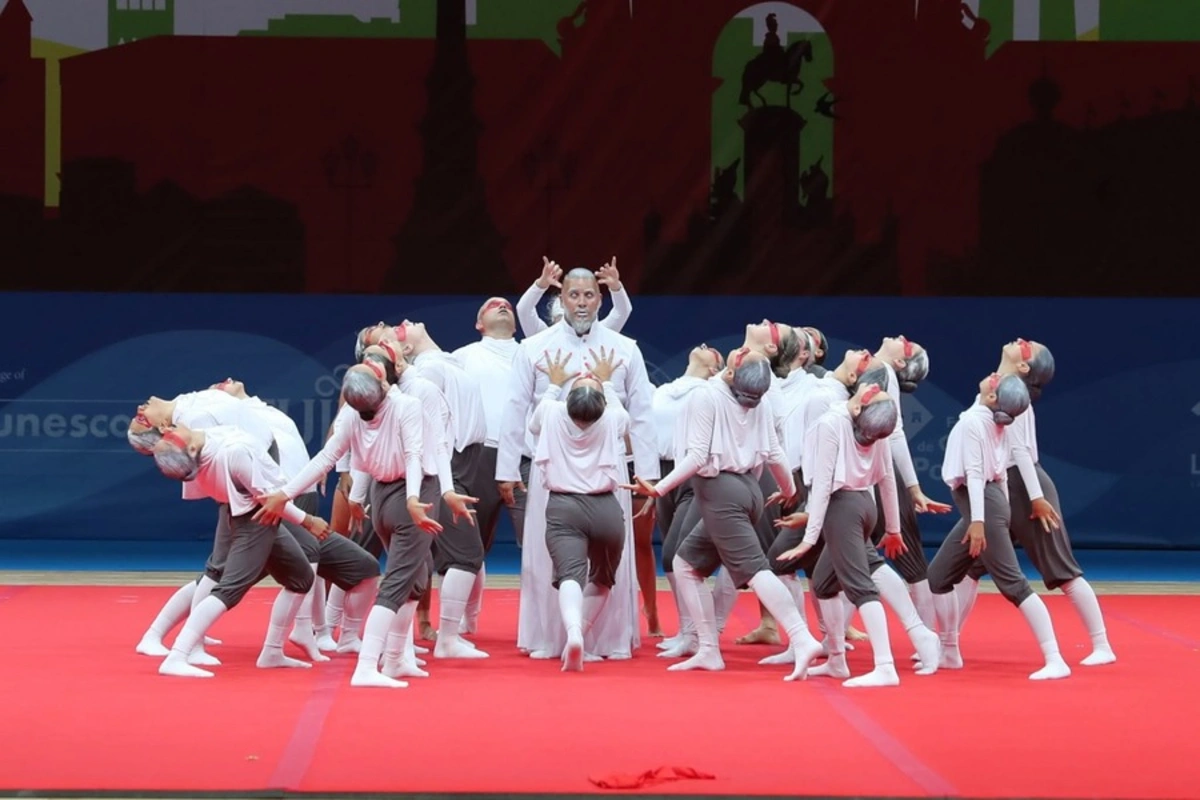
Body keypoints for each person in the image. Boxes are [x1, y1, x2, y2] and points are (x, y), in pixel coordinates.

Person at [624, 349, 825, 680]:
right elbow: (775, 454)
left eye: (742, 356)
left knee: (755, 570)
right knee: (685, 563)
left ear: (730, 374)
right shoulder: (756, 399)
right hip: (748, 488)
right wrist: (790, 490)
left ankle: (802, 638)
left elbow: (697, 457)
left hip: (722, 492)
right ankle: (708, 648)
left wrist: (658, 489)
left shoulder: (708, 396)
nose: (742, 349)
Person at [498, 267, 658, 660]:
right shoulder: (534, 347)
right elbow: (515, 409)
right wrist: (506, 470)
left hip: (610, 472)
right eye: (574, 295)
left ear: (600, 300)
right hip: (550, 472)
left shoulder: (625, 348)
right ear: (562, 299)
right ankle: (551, 638)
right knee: (547, 555)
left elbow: (642, 414)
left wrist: (648, 474)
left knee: (608, 558)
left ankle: (605, 639)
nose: (582, 303)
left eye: (589, 295)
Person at [256, 364, 443, 688]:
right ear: (381, 385)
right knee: (398, 583)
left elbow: (326, 459)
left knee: (416, 577)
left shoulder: (351, 415)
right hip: (409, 495)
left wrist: (285, 494)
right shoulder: (405, 405)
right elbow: (414, 454)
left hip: (381, 497)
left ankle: (396, 658)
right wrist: (414, 498)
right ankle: (367, 666)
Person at [956, 340, 1115, 667]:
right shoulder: (994, 387)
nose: (1019, 341)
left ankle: (1102, 645)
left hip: (1025, 488)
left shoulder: (1015, 396)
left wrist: (1037, 499)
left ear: (1024, 367)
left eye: (1026, 347)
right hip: (1001, 486)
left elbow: (1020, 452)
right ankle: (947, 642)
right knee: (970, 565)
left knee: (1062, 569)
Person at [772, 382, 941, 687]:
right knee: (825, 583)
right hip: (863, 505)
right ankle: (838, 660)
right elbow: (886, 481)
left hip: (843, 508)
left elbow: (823, 485)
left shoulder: (833, 422)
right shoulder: (869, 422)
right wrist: (892, 528)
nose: (873, 385)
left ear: (860, 406)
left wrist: (809, 539)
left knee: (862, 587)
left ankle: (885, 666)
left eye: (875, 392)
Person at [927, 372, 1071, 681]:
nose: (994, 375)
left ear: (993, 397)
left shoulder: (974, 423)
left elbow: (976, 475)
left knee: (1014, 584)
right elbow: (1002, 474)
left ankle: (1055, 658)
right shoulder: (991, 419)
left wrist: (982, 522)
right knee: (938, 575)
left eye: (996, 382)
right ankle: (949, 651)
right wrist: (998, 512)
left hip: (982, 506)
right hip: (985, 506)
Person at [151, 423, 326, 678]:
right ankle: (178, 655)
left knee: (301, 578)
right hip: (255, 519)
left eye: (169, 434)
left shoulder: (204, 447)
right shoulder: (234, 454)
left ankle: (272, 652)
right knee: (229, 589)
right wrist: (308, 521)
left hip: (248, 512)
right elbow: (271, 500)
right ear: (191, 448)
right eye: (171, 436)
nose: (170, 429)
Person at [530, 348, 630, 670]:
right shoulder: (612, 417)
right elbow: (623, 418)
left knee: (569, 575)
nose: (587, 376)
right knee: (602, 578)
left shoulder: (551, 410)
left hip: (563, 507)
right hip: (606, 509)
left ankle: (573, 633)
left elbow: (533, 424)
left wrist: (553, 384)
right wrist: (607, 383)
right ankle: (580, 638)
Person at [650, 345, 724, 655]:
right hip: (662, 472)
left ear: (715, 369)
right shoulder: (663, 391)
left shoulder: (711, 392)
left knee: (676, 554)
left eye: (713, 351)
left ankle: (696, 633)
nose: (704, 346)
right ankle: (686, 630)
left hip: (692, 474)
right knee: (670, 557)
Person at [515, 256, 632, 337]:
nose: (581, 303)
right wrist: (541, 284)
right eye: (563, 319)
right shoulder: (543, 337)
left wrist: (616, 287)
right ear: (554, 321)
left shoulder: (602, 334)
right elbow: (524, 310)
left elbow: (622, 311)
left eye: (588, 295)